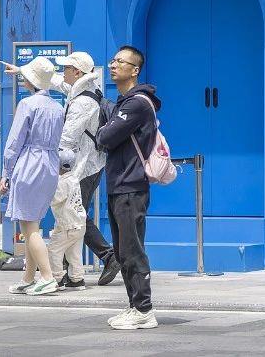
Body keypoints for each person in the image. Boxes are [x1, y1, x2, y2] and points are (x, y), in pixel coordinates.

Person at [94, 46, 161, 331]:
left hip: (130, 187)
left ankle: (144, 309)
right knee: (123, 251)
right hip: (120, 184)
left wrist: (103, 130)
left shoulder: (136, 104)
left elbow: (105, 137)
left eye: (120, 62)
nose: (113, 65)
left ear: (135, 70)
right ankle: (135, 306)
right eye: (113, 60)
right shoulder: (124, 103)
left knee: (132, 250)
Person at [0, 57, 65, 297]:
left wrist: (6, 173)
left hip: (29, 163)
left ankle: (47, 276)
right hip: (50, 165)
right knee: (33, 222)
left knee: (29, 226)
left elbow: (14, 143)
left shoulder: (27, 104)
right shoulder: (57, 107)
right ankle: (28, 277)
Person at [55, 50, 120, 286]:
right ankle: (69, 272)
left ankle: (108, 256)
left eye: (66, 68)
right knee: (71, 215)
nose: (62, 72)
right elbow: (59, 83)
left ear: (77, 72)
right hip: (89, 165)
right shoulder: (86, 90)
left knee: (73, 215)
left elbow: (67, 138)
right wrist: (23, 71)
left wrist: (56, 163)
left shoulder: (82, 102)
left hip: (83, 167)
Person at [48, 148, 88, 290]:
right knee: (74, 252)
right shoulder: (74, 179)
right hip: (80, 222)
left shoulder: (61, 182)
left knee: (54, 250)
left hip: (67, 225)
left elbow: (55, 199)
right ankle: (77, 279)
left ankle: (57, 278)